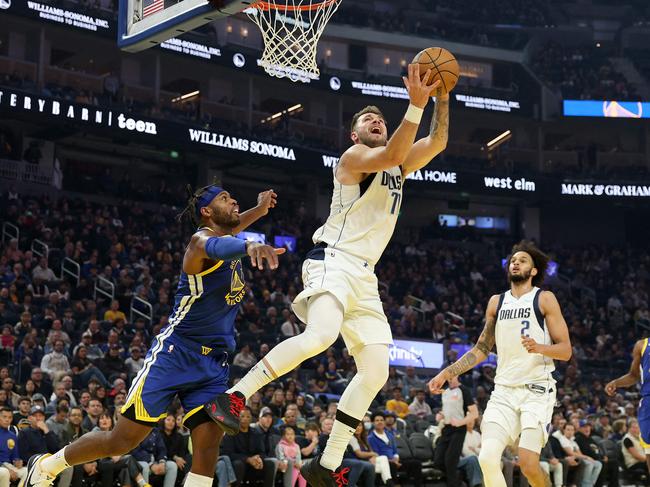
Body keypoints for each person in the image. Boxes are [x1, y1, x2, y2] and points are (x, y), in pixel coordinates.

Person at [228, 64, 449, 486]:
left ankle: (327, 463)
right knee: (321, 335)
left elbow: (436, 141)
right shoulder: (351, 159)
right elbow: (392, 153)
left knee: (376, 370)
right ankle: (235, 396)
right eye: (368, 120)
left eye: (380, 119)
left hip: (365, 277)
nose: (377, 121)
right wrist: (414, 106)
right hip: (333, 259)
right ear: (355, 135)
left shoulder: (398, 168)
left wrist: (443, 97)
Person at [22, 186, 284, 487]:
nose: (235, 200)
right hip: (176, 354)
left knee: (209, 444)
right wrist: (249, 247)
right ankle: (47, 465)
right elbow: (218, 246)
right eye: (225, 198)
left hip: (213, 364)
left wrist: (259, 211)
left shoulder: (228, 234)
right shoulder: (199, 242)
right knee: (121, 441)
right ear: (206, 212)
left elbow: (233, 228)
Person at [429, 241, 572, 487]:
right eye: (513, 260)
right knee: (486, 458)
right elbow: (482, 348)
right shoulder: (497, 302)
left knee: (528, 464)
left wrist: (540, 348)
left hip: (536, 390)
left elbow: (566, 351)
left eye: (523, 260)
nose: (516, 262)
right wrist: (447, 371)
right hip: (504, 392)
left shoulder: (544, 299)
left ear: (534, 271)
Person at [605, 336, 650, 472]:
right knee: (649, 450)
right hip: (648, 402)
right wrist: (616, 383)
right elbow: (634, 375)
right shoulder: (642, 345)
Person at [434, 375, 479, 487]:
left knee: (450, 462)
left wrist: (461, 422)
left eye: (452, 374)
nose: (449, 377)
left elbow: (475, 413)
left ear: (457, 375)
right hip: (446, 429)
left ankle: (454, 482)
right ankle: (459, 481)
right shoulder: (445, 392)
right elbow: (447, 410)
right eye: (448, 374)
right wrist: (441, 415)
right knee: (438, 461)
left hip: (459, 430)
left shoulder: (464, 390)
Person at [0, 406, 26, 487]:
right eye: (4, 417)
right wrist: (8, 469)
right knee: (5, 472)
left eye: (10, 417)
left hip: (8, 465)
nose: (7, 420)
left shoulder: (12, 436)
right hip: (2, 467)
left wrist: (18, 462)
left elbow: (15, 456)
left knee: (27, 471)